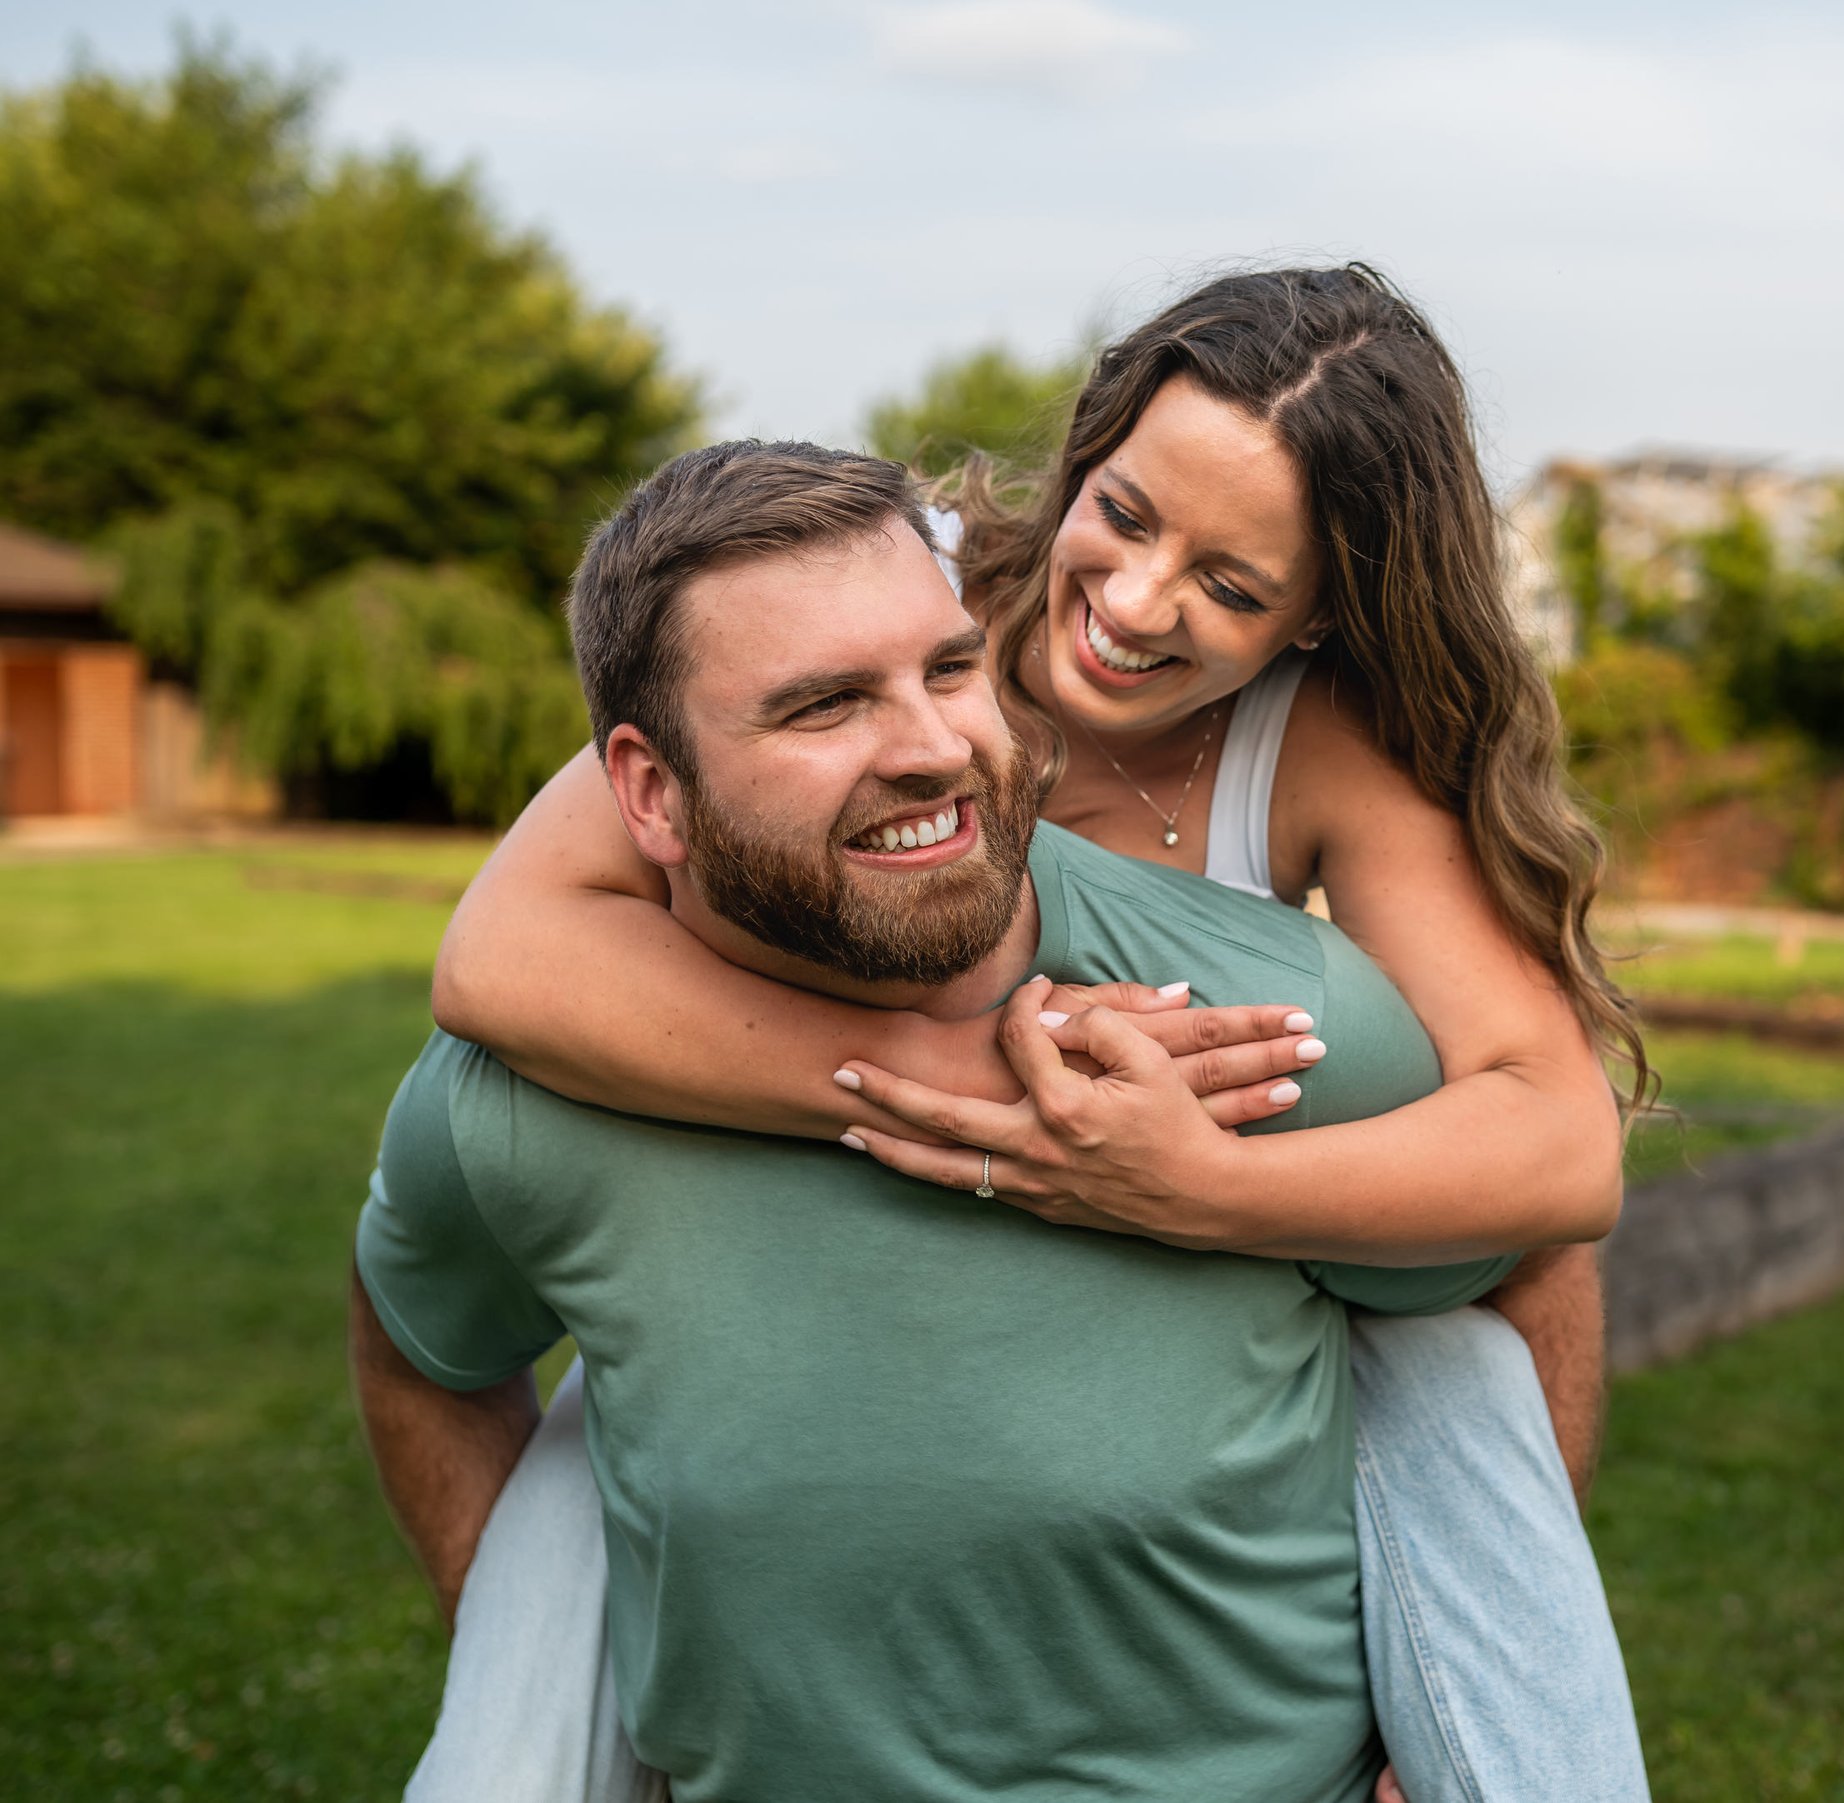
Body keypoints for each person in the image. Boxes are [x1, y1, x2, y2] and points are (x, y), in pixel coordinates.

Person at [428, 266, 1651, 1799]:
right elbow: (500, 952)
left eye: (1233, 585)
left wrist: (1185, 1184)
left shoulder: (1326, 749)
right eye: (1126, 517)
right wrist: (954, 1086)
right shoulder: (893, 623)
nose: (1137, 606)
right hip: (792, 1281)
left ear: (1324, 610)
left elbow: (1549, 1143)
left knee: (1465, 1332)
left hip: (1192, 1333)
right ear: (1086, 455)